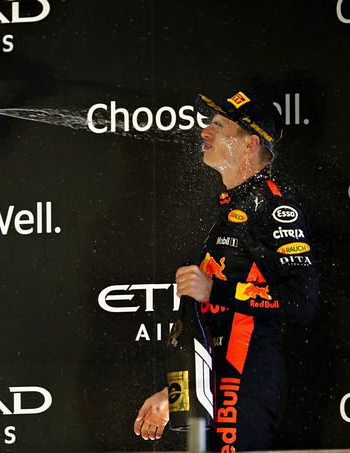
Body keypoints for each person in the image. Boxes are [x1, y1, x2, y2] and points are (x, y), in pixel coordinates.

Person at [133, 89, 319, 451]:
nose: (205, 131)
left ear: (250, 144)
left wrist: (213, 290)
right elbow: (209, 324)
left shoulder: (274, 208)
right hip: (217, 383)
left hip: (245, 379)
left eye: (219, 126)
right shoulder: (233, 206)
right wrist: (178, 393)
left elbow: (302, 300)